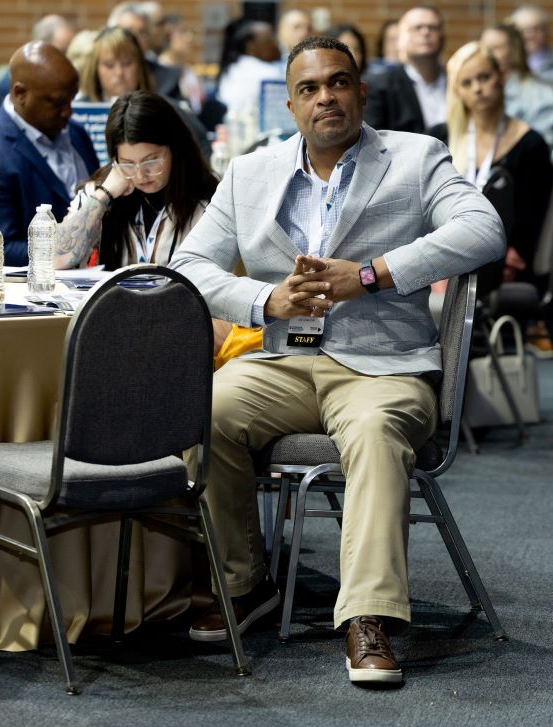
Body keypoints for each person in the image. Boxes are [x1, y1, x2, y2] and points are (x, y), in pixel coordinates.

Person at [169, 36, 504, 685]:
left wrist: (374, 274)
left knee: (376, 433)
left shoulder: (415, 156)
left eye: (339, 82)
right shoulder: (250, 171)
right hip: (283, 361)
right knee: (202, 409)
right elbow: (189, 266)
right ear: (291, 104)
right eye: (310, 88)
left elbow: (483, 230)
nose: (326, 96)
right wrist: (267, 297)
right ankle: (244, 582)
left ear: (361, 91)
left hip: (384, 364)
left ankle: (368, 617)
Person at [427, 41, 551, 290]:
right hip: (443, 250)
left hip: (501, 254)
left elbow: (530, 217)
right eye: (467, 83)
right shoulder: (439, 138)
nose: (478, 89)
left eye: (484, 77)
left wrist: (506, 255)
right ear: (457, 91)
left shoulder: (530, 143)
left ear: (501, 77)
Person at [53, 91, 216, 270]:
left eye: (151, 161)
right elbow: (56, 260)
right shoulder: (99, 193)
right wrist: (104, 195)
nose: (140, 175)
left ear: (174, 149)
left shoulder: (206, 203)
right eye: (128, 164)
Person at [0, 42, 99, 266]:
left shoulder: (76, 133)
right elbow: (3, 246)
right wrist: (69, 251)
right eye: (58, 102)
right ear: (20, 93)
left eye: (71, 100)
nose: (68, 111)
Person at [77, 27, 211, 162]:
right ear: (95, 70)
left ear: (140, 67)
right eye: (109, 65)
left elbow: (203, 147)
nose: (119, 73)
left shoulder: (164, 108)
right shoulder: (78, 114)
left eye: (127, 63)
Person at [364, 6, 446, 132]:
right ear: (400, 39)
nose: (426, 32)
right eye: (417, 28)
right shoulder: (379, 86)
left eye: (432, 27)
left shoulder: (460, 81)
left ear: (443, 37)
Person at [479, 23, 553, 146]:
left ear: (514, 51)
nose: (485, 54)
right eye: (482, 48)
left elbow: (540, 149)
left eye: (494, 48)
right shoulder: (476, 91)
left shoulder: (542, 96)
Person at [215, 19, 283, 116]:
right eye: (269, 39)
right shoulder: (269, 74)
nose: (276, 44)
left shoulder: (232, 68)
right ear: (251, 45)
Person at [511, 5, 553, 95]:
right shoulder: (505, 64)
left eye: (536, 29)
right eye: (523, 30)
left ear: (546, 31)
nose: (530, 35)